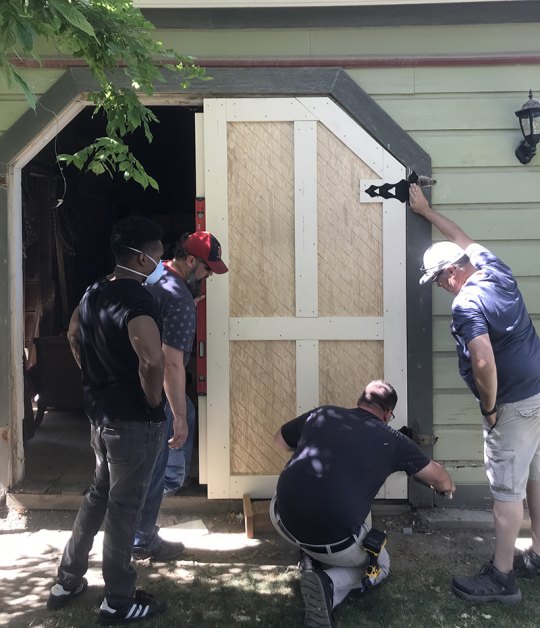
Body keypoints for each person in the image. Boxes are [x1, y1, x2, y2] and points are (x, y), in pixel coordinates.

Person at [410, 183, 540, 605]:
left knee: (506, 491)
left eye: (439, 279)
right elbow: (460, 236)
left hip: (514, 406)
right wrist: (427, 212)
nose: (441, 287)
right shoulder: (493, 267)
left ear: (453, 272)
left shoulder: (466, 303)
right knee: (536, 477)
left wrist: (489, 410)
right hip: (538, 393)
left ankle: (502, 578)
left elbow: (483, 361)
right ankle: (538, 554)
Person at [47, 217, 168, 623]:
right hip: (133, 422)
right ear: (140, 257)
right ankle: (118, 599)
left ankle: (68, 579)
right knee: (123, 509)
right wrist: (152, 401)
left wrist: (93, 374)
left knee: (98, 496)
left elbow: (73, 335)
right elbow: (152, 358)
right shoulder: (137, 300)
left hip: (100, 417)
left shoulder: (94, 291)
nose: (160, 263)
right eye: (156, 257)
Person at [270, 380, 454, 628]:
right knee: (381, 564)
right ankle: (329, 586)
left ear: (361, 401)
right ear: (388, 414)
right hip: (331, 543)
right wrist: (448, 487)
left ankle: (308, 556)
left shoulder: (323, 413)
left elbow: (280, 440)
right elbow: (441, 481)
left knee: (345, 500)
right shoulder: (393, 439)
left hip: (281, 517)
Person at [132, 231, 228, 560]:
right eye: (207, 270)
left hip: (129, 383)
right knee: (159, 461)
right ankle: (142, 536)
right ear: (190, 261)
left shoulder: (154, 277)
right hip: (154, 389)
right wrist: (179, 418)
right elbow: (172, 363)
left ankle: (138, 529)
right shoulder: (179, 300)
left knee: (140, 464)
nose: (210, 276)